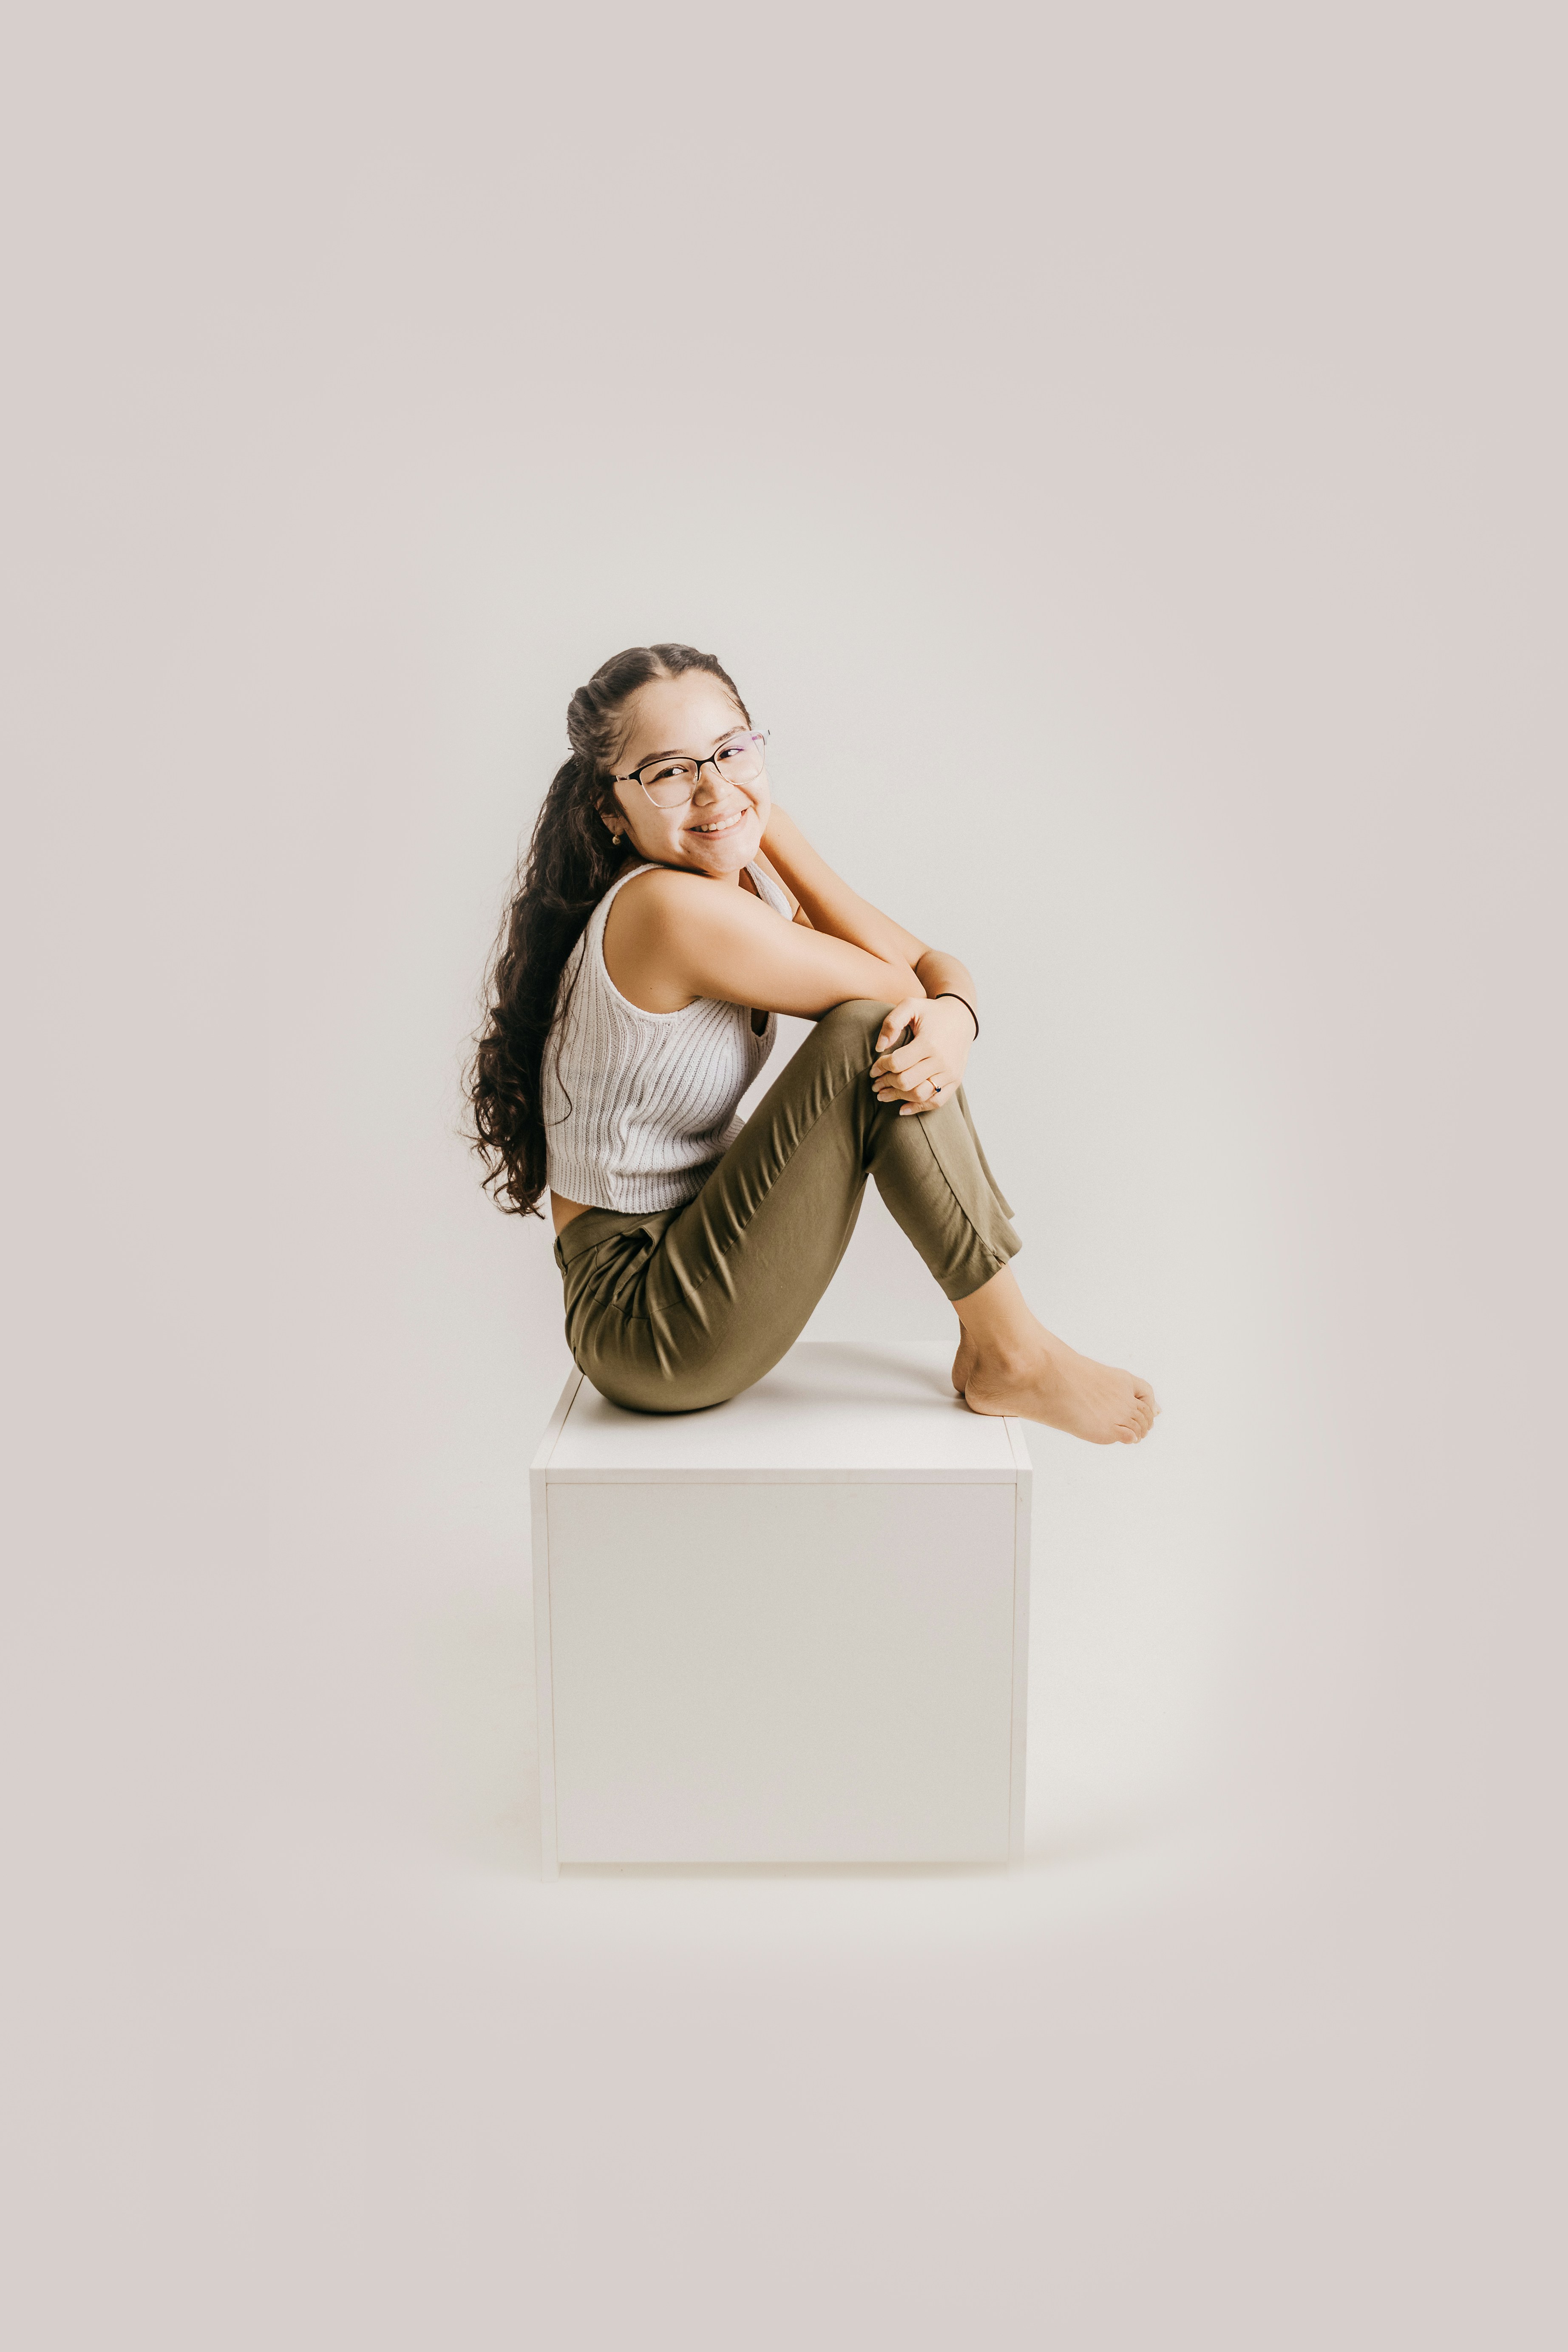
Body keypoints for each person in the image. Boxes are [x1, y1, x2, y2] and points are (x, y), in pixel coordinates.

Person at [467, 643, 1159, 1443]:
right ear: (609, 808)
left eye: (732, 751)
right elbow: (900, 991)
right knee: (872, 1030)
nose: (714, 788)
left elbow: (930, 968)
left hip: (697, 1242)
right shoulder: (667, 911)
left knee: (883, 1024)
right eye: (668, 770)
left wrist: (955, 1016)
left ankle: (1001, 1346)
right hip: (643, 1317)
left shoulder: (733, 890)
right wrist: (783, 839)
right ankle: (1013, 1349)